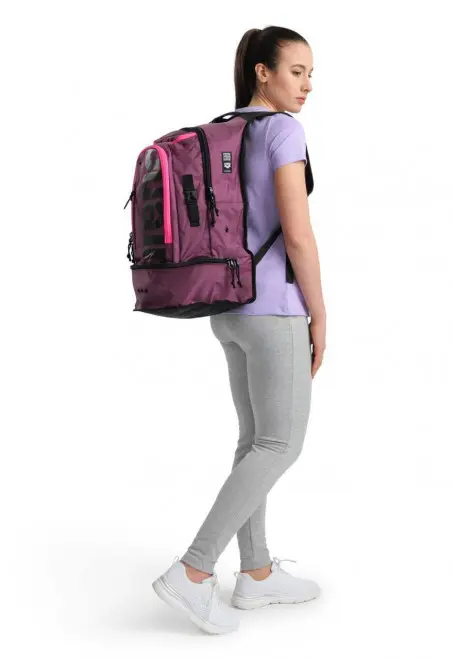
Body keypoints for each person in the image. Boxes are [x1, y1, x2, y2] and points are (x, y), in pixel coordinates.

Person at [152, 25, 326, 635]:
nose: (307, 85)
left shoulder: (225, 130)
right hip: (275, 309)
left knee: (256, 441)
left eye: (311, 74)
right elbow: (297, 234)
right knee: (280, 446)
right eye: (297, 71)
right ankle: (194, 570)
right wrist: (320, 313)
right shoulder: (283, 130)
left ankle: (255, 573)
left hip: (225, 308)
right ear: (262, 72)